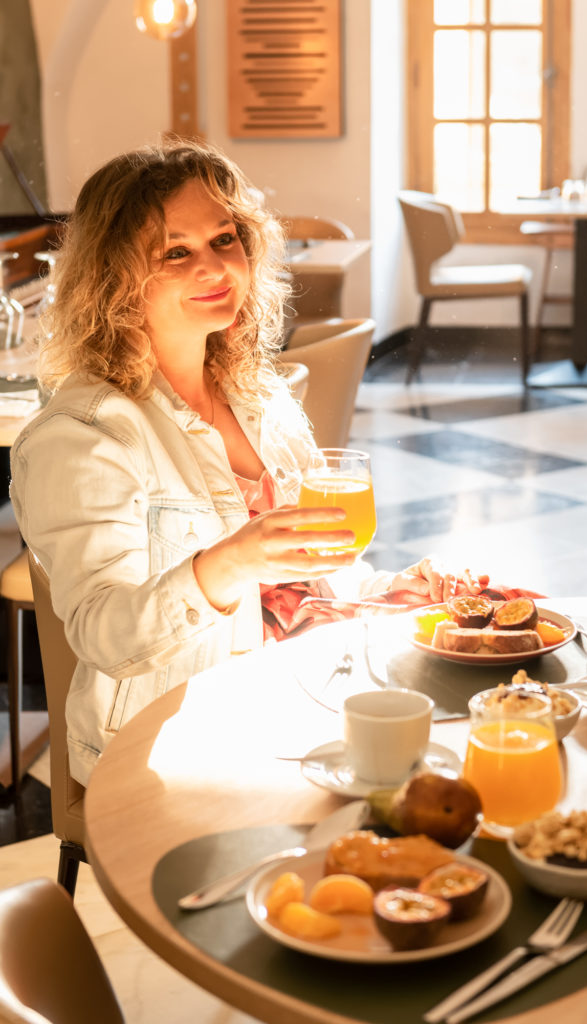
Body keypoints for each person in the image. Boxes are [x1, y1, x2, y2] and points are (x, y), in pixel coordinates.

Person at [10, 140, 453, 787]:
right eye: (177, 252)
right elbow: (107, 638)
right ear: (116, 281)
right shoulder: (82, 436)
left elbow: (299, 582)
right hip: (172, 747)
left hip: (293, 700)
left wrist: (391, 595)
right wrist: (229, 562)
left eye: (225, 238)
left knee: (476, 743)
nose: (216, 267)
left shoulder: (256, 395)